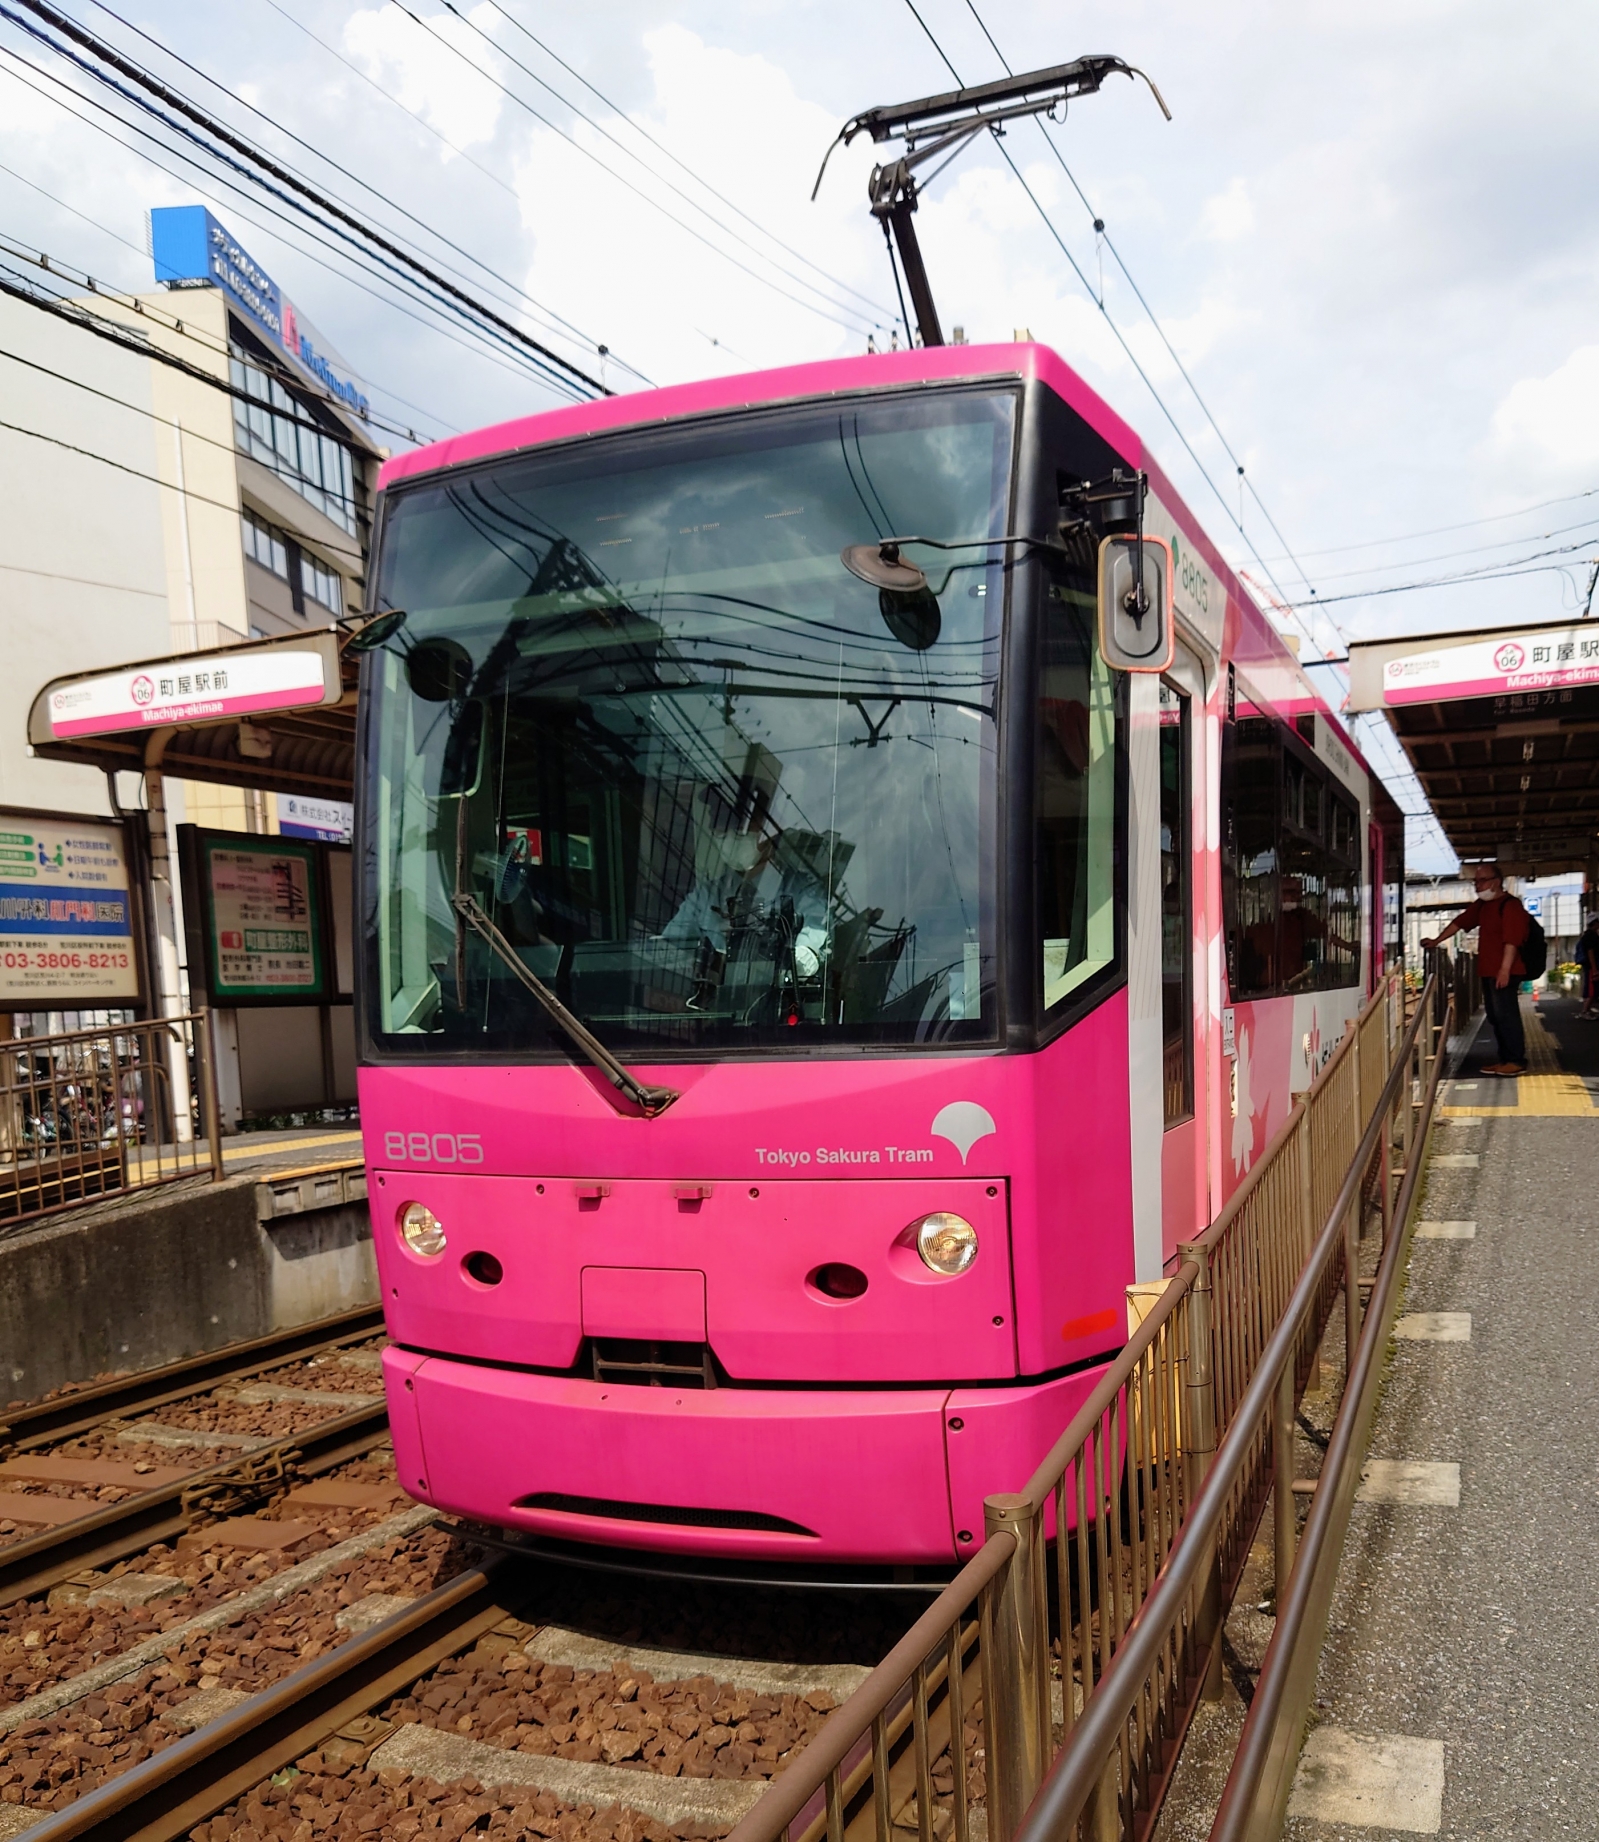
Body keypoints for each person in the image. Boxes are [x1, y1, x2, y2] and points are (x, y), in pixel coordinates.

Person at [1421, 863, 1530, 1075]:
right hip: (1488, 971)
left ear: (1496, 882)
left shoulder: (1510, 905)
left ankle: (1516, 1060)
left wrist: (1505, 970)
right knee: (1496, 1015)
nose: (1477, 886)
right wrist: (1436, 940)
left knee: (1506, 1015)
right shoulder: (1482, 906)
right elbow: (1459, 923)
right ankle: (1505, 1058)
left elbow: (1512, 941)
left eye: (1481, 881)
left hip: (1505, 971)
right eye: (1475, 881)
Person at [1577, 913, 1599, 1020]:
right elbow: (1590, 952)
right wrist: (1594, 969)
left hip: (1589, 966)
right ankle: (1585, 1011)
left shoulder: (1587, 935)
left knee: (1592, 989)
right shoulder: (1591, 936)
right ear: (1594, 923)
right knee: (1592, 990)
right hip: (1591, 967)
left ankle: (1587, 1010)